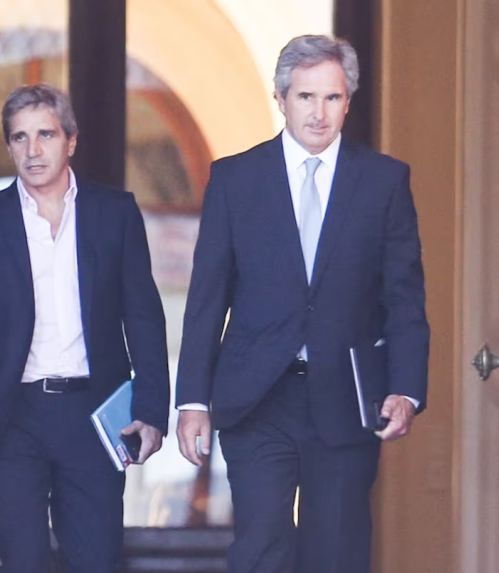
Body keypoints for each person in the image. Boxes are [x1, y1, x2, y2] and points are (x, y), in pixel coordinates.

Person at [175, 35, 430, 572]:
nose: (319, 113)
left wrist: (405, 389)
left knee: (335, 553)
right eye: (306, 97)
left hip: (345, 397)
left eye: (332, 98)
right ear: (281, 99)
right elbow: (207, 298)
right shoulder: (236, 178)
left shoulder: (383, 181)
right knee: (261, 547)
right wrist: (193, 400)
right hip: (257, 396)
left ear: (348, 101)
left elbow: (404, 297)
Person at [0, 84, 169, 572]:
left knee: (97, 560)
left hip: (94, 413)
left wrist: (151, 410)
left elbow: (144, 316)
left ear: (71, 141)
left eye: (45, 134)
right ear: (9, 147)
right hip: (14, 415)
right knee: (23, 561)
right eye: (20, 138)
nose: (33, 150)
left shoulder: (114, 214)